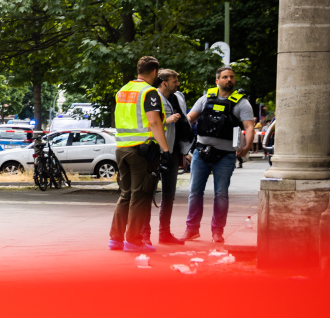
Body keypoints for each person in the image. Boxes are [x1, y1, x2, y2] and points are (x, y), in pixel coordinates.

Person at [185, 66, 256, 243]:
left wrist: (247, 146)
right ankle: (191, 229)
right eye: (225, 77)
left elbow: (249, 126)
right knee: (194, 192)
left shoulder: (241, 103)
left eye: (231, 77)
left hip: (225, 156)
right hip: (201, 153)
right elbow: (189, 119)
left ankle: (218, 231)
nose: (229, 80)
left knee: (221, 194)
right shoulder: (205, 99)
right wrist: (185, 147)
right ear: (217, 81)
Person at [109, 56, 171, 252]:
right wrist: (166, 149)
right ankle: (133, 241)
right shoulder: (149, 92)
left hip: (122, 149)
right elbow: (154, 122)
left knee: (125, 195)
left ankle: (115, 239)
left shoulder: (123, 90)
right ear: (154, 72)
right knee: (140, 196)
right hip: (141, 151)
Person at [152, 70, 190, 245]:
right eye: (175, 81)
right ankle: (144, 233)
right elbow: (149, 123)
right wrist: (167, 120)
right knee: (147, 194)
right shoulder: (153, 97)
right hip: (155, 151)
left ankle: (164, 233)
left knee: (169, 195)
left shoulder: (179, 97)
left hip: (173, 151)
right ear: (164, 83)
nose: (178, 84)